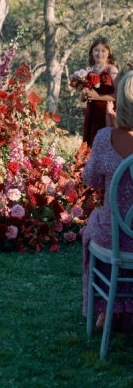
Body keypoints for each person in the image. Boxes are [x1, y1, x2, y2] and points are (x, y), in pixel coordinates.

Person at [82, 71, 133, 329]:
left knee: (96, 225)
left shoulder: (104, 138)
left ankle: (107, 310)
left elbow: (91, 180)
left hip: (115, 238)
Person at [81, 37, 118, 147]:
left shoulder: (112, 70)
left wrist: (98, 97)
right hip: (91, 113)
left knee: (104, 145)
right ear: (92, 51)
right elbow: (81, 99)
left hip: (107, 114)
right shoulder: (88, 71)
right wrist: (83, 94)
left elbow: (118, 96)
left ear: (109, 53)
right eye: (96, 50)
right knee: (90, 145)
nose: (99, 53)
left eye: (103, 50)